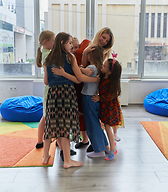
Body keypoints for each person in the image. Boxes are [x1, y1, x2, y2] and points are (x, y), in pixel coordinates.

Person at [42, 32, 98, 168]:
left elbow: (46, 81)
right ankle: (67, 160)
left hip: (53, 94)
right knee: (65, 127)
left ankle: (45, 156)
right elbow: (78, 79)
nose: (72, 46)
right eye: (70, 43)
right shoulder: (69, 57)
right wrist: (66, 74)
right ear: (62, 43)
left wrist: (59, 76)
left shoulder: (48, 58)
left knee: (52, 124)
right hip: (67, 93)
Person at [74, 27, 114, 150]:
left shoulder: (98, 58)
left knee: (91, 119)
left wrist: (82, 70)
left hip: (85, 80)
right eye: (103, 37)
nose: (103, 41)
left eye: (106, 40)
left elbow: (90, 72)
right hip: (80, 82)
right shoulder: (86, 43)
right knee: (84, 115)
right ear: (99, 34)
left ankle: (98, 145)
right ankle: (90, 141)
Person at [92, 55, 122, 161]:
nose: (101, 67)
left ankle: (112, 149)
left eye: (104, 66)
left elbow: (109, 97)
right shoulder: (104, 77)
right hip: (105, 107)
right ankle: (112, 148)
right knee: (106, 127)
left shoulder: (111, 82)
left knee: (108, 128)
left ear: (109, 72)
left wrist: (100, 98)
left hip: (110, 109)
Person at [35, 30, 55, 149]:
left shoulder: (46, 52)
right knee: (49, 117)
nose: (54, 43)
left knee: (45, 116)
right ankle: (45, 141)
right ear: (45, 42)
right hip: (50, 88)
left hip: (48, 88)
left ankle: (39, 141)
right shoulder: (48, 54)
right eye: (53, 41)